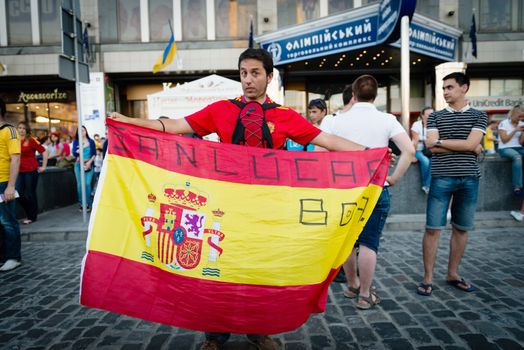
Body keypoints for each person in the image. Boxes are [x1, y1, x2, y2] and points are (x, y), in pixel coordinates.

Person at [110, 48, 367, 350]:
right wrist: (129, 121)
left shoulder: (285, 116)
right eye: (243, 73)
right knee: (218, 269)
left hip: (268, 210)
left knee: (261, 272)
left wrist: (368, 153)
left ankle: (260, 332)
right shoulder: (221, 110)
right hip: (224, 209)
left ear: (270, 77)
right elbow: (175, 126)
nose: (248, 80)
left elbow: (327, 140)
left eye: (255, 73)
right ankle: (214, 335)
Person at [320, 75, 414, 309]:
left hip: (344, 189)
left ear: (353, 93)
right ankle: (364, 294)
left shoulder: (334, 121)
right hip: (375, 188)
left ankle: (352, 285)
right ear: (375, 95)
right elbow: (409, 151)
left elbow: (317, 152)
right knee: (370, 242)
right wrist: (393, 178)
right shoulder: (386, 119)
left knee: (349, 241)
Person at [417, 72, 487, 297]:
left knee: (461, 228)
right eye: (443, 88)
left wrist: (443, 142)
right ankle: (428, 278)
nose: (445, 91)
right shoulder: (436, 116)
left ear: (464, 87)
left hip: (469, 178)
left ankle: (452, 274)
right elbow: (431, 147)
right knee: (432, 229)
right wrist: (467, 145)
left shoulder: (479, 115)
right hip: (441, 177)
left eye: (449, 87)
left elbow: (471, 144)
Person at [0, 98, 22, 272]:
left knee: (7, 221)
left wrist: (10, 186)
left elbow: (15, 158)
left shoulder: (10, 131)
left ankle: (13, 257)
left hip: (4, 183)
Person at [16, 122, 49, 225]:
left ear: (27, 130)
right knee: (18, 194)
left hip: (31, 170)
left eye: (23, 128)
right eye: (19, 128)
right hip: (19, 171)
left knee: (31, 193)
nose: (21, 130)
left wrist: (43, 166)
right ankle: (31, 211)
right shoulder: (15, 141)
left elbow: (44, 152)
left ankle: (32, 217)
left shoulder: (31, 140)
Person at [497, 105, 524, 196]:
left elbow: (520, 142)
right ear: (513, 114)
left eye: (523, 117)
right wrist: (515, 130)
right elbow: (504, 140)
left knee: (518, 155)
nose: (521, 119)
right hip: (505, 148)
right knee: (517, 157)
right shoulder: (503, 123)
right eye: (519, 116)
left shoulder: (521, 124)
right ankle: (517, 186)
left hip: (518, 147)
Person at [72, 126, 97, 212]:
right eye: (80, 131)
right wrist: (81, 147)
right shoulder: (76, 142)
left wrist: (89, 162)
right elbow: (75, 154)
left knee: (87, 184)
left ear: (86, 131)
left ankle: (88, 203)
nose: (82, 132)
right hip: (78, 165)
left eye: (83, 130)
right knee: (80, 185)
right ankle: (82, 204)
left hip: (89, 164)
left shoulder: (91, 141)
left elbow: (94, 154)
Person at [411, 107, 434, 194]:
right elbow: (415, 140)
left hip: (431, 150)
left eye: (432, 114)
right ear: (423, 115)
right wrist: (412, 155)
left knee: (435, 162)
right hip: (418, 150)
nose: (430, 116)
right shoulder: (416, 125)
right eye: (428, 114)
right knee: (425, 161)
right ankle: (426, 185)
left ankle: (427, 185)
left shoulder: (435, 125)